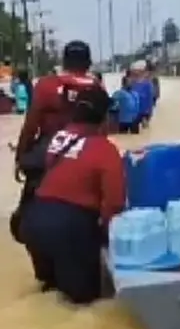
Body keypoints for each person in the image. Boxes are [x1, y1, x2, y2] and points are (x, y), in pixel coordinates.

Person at [21, 85, 125, 304]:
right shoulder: (105, 150)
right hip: (68, 229)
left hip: (33, 221)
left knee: (51, 291)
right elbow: (114, 203)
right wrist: (108, 236)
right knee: (85, 302)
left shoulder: (59, 138)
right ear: (104, 117)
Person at [13, 41, 100, 235]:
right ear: (88, 63)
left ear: (64, 62)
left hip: (49, 151)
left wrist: (20, 156)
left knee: (27, 212)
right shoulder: (96, 87)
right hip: (86, 151)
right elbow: (103, 129)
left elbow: (31, 125)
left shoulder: (46, 85)